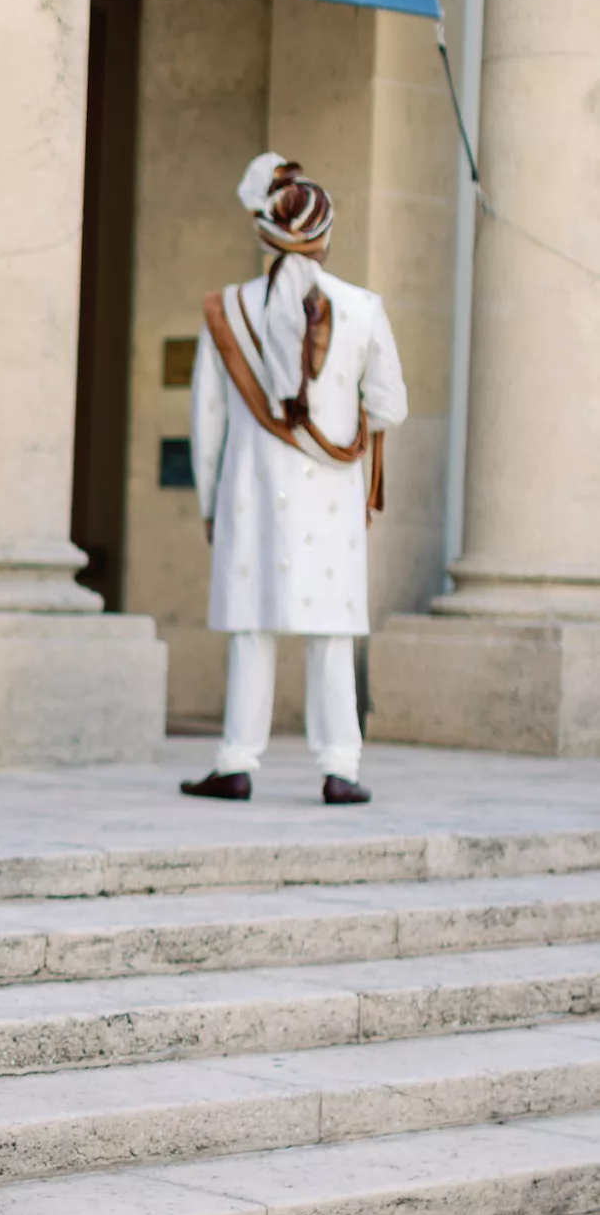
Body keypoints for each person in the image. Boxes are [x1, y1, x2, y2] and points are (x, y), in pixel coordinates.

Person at [181, 153, 407, 806]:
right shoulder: (362, 309)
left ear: (263, 235)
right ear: (326, 235)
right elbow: (390, 405)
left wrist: (207, 502)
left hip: (250, 496)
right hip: (332, 498)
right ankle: (340, 767)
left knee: (253, 627)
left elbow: (207, 420)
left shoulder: (226, 308)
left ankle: (236, 761)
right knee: (330, 630)